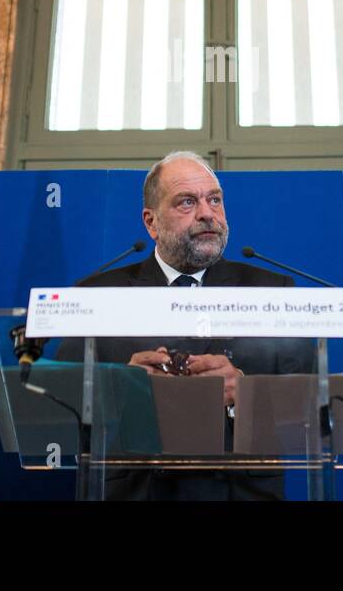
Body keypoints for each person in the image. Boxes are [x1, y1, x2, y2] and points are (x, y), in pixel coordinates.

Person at [54, 150, 314, 500]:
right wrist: (118, 387)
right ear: (151, 222)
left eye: (215, 200)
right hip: (135, 491)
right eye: (187, 202)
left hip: (239, 491)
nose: (207, 213)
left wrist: (246, 394)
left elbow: (313, 408)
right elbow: (57, 407)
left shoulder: (271, 290)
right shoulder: (96, 294)